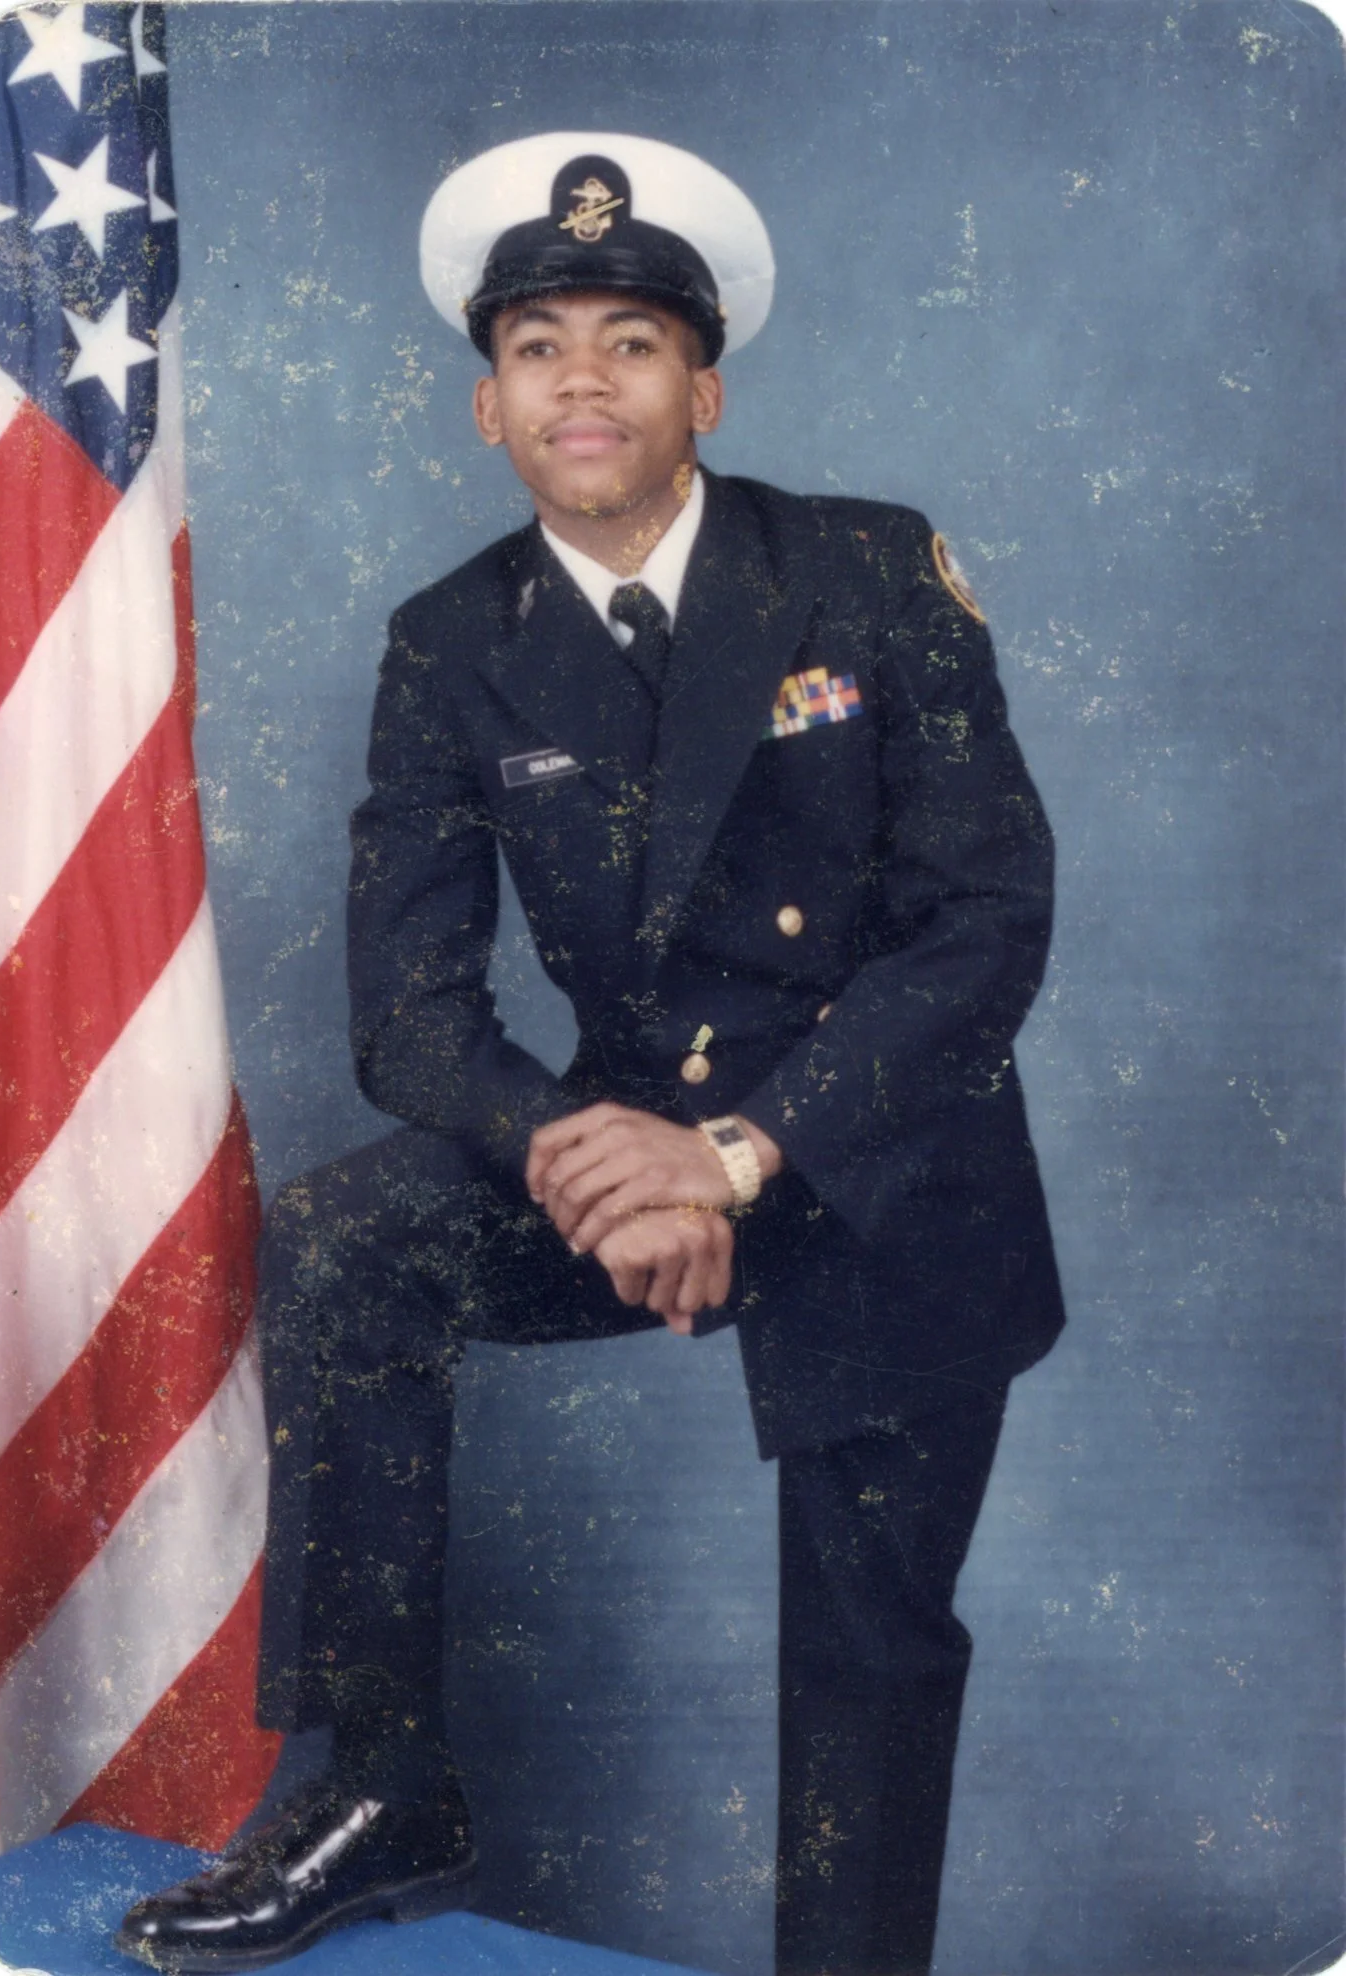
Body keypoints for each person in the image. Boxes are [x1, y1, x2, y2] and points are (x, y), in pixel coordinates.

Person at [116, 130, 1065, 1976]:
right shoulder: (451, 644)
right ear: (488, 406)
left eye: (629, 341)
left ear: (701, 384)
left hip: (875, 1157)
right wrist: (595, 1152)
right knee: (346, 1235)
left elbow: (983, 929)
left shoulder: (866, 573)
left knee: (868, 1645)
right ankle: (385, 1779)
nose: (583, 379)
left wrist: (738, 1155)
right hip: (628, 1160)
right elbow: (408, 1014)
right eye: (540, 343)